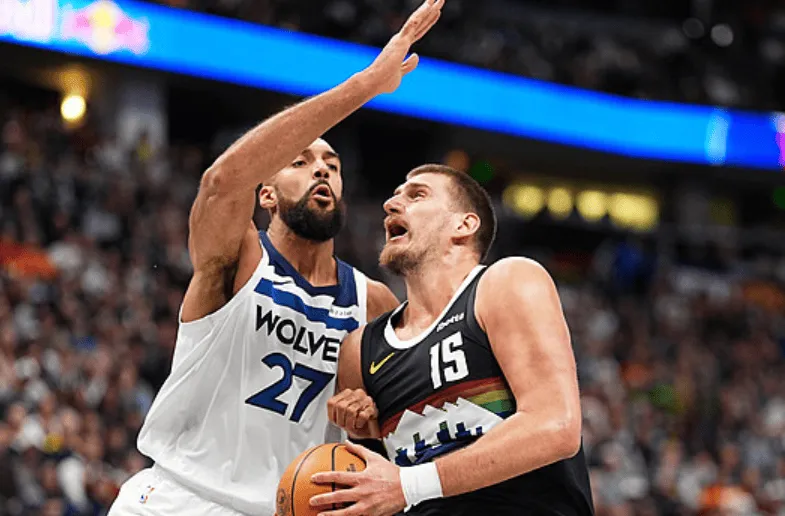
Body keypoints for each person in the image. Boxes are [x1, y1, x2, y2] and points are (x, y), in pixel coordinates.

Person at [107, 1, 446, 514]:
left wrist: (368, 417)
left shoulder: (373, 302)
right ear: (265, 194)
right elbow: (222, 182)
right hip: (179, 497)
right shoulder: (238, 257)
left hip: (285, 506)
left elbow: (394, 426)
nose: (321, 170)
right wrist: (365, 86)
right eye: (300, 162)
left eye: (332, 165)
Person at [310, 165, 595, 516]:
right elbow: (380, 492)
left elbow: (555, 426)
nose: (390, 204)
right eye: (395, 196)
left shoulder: (505, 282)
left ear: (464, 225)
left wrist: (408, 484)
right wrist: (360, 434)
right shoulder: (359, 349)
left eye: (417, 195)